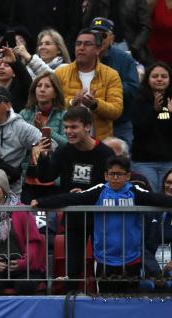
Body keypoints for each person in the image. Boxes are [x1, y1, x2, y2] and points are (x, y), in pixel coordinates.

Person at [33, 156, 172, 294]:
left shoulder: (135, 192)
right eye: (112, 174)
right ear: (106, 175)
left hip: (132, 259)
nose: (115, 178)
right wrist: (41, 202)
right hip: (104, 259)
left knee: (130, 300)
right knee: (105, 300)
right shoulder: (99, 191)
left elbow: (158, 199)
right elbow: (72, 198)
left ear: (128, 176)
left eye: (119, 174)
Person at [35, 105, 115, 287]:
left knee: (103, 266)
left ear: (87, 126)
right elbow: (45, 177)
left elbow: (112, 185)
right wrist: (44, 156)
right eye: (66, 127)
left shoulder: (105, 153)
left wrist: (85, 195)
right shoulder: (64, 151)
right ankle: (71, 308)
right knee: (72, 269)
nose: (68, 132)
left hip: (100, 218)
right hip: (73, 218)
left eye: (73, 127)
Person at [0, 169, 45, 295]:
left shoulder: (20, 210)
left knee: (25, 285)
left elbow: (33, 241)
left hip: (23, 266)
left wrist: (24, 262)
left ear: (4, 190)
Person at [54, 29, 123, 142]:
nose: (81, 47)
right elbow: (53, 104)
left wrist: (95, 105)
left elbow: (116, 111)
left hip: (100, 143)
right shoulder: (60, 73)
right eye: (78, 44)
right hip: (66, 140)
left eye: (87, 44)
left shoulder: (111, 75)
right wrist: (72, 102)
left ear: (98, 49)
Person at [89, 17, 140, 148]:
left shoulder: (125, 59)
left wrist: (110, 88)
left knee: (121, 162)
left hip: (119, 123)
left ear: (112, 38)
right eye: (94, 35)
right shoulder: (82, 56)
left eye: (103, 35)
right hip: (90, 123)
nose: (99, 39)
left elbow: (134, 89)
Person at [18, 72, 67, 203]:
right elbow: (16, 141)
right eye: (39, 85)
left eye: (47, 86)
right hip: (27, 179)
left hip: (53, 182)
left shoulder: (64, 115)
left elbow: (68, 145)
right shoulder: (24, 114)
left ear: (55, 92)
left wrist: (44, 130)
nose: (42, 89)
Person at [130, 62, 172, 194]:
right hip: (144, 161)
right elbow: (139, 129)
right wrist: (154, 111)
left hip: (169, 160)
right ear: (147, 79)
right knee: (150, 199)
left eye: (164, 76)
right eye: (155, 76)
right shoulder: (138, 100)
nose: (159, 79)